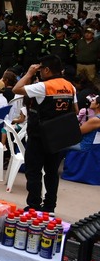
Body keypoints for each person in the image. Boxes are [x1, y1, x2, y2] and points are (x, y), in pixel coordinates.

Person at [12, 55, 78, 213]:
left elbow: (16, 89)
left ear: (47, 69)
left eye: (40, 69)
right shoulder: (70, 86)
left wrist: (29, 74)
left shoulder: (43, 86)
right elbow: (75, 110)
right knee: (52, 172)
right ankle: (49, 206)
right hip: (58, 137)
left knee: (33, 171)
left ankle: (34, 205)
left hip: (39, 135)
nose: (39, 72)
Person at [62, 95, 100, 185]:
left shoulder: (95, 120)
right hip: (94, 146)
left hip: (85, 146)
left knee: (58, 145)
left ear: (98, 105)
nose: (91, 102)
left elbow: (78, 132)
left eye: (93, 101)